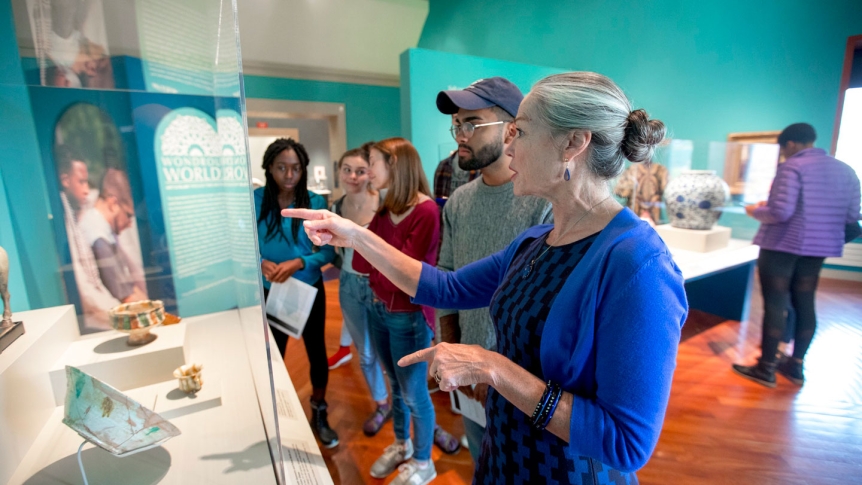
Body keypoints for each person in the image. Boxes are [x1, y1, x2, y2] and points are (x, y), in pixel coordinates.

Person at [285, 72, 688, 484]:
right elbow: (446, 287)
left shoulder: (638, 265)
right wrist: (355, 235)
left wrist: (492, 368)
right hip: (504, 459)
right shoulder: (535, 241)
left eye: (522, 132)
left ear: (573, 143)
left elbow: (626, 443)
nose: (509, 146)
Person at [434, 76, 553, 460]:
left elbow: (546, 304)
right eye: (457, 124)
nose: (460, 135)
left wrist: (497, 363)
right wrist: (452, 346)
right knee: (479, 461)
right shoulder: (458, 202)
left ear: (511, 131)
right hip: (469, 375)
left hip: (523, 377)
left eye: (472, 123)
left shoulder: (542, 204)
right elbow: (447, 276)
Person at [733, 123, 861, 387]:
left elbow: (780, 212)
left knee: (775, 304)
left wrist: (754, 211)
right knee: (805, 302)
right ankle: (796, 365)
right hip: (816, 250)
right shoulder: (846, 171)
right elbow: (852, 218)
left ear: (790, 144)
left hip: (782, 246)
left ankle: (766, 368)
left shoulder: (792, 167)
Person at [349, 138, 441, 484]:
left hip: (407, 316)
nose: (367, 171)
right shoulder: (386, 210)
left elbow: (403, 277)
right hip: (379, 308)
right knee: (396, 387)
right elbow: (362, 263)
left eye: (372, 162)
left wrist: (378, 259)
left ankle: (423, 462)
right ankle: (402, 445)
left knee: (415, 394)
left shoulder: (426, 211)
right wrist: (379, 257)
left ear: (395, 165)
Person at [253, 138, 338, 448]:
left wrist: (299, 261)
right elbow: (245, 245)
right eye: (281, 168)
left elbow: (329, 254)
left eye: (296, 168)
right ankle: (277, 414)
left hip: (307, 289)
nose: (289, 175)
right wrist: (260, 262)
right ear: (269, 169)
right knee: (274, 355)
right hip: (270, 290)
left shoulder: (315, 202)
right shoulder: (255, 199)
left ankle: (319, 409)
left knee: (317, 353)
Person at [328, 143, 392, 436]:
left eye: (360, 171)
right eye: (347, 170)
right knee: (365, 353)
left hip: (382, 283)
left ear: (370, 173)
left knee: (391, 350)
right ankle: (382, 403)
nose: (353, 176)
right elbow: (334, 254)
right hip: (349, 285)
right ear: (339, 172)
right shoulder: (335, 208)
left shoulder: (385, 202)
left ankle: (405, 402)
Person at [57, 152, 121, 330]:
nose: (86, 189)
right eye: (81, 181)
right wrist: (119, 314)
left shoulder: (75, 214)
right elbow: (85, 288)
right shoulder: (65, 219)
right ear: (65, 180)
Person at [78, 168, 147, 304]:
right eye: (128, 215)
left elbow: (129, 288)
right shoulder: (98, 238)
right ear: (113, 203)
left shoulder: (103, 231)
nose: (129, 224)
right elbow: (126, 297)